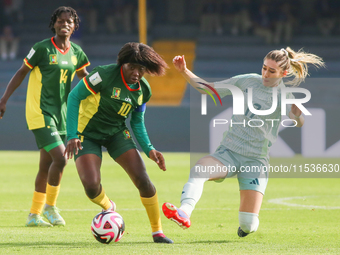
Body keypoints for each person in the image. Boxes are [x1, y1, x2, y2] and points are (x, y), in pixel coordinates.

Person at [162, 47, 325, 237]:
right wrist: (183, 71)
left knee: (248, 224)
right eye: (264, 68)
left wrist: (297, 115)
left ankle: (246, 227)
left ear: (284, 73)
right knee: (199, 169)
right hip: (228, 153)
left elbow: (299, 122)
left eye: (272, 71)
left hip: (255, 161)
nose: (265, 73)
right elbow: (209, 89)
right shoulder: (247, 80)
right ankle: (184, 212)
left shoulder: (284, 95)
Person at [63, 42, 173, 244]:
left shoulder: (143, 90)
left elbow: (137, 123)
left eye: (141, 68)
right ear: (122, 63)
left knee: (143, 179)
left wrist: (149, 149)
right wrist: (72, 135)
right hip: (86, 133)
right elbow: (74, 96)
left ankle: (158, 232)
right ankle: (108, 205)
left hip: (116, 134)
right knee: (91, 185)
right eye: (132, 66)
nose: (137, 72)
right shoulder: (103, 75)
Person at [0, 6, 90, 227]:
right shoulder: (41, 48)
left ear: (75, 26)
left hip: (62, 114)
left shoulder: (77, 52)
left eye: (69, 21)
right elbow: (21, 72)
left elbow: (85, 79)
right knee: (61, 158)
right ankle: (50, 208)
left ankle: (34, 215)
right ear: (54, 24)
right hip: (40, 112)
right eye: (60, 21)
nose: (65, 24)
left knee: (46, 165)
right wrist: (3, 100)